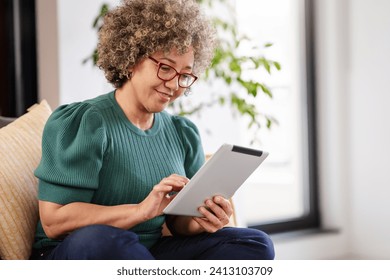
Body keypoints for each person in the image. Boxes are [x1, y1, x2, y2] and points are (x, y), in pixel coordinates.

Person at [30, 0, 275, 260]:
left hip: (147, 255)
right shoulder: (85, 122)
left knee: (255, 243)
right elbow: (55, 221)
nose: (174, 84)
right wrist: (141, 211)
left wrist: (202, 219)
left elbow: (178, 223)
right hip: (81, 251)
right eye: (165, 67)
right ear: (131, 60)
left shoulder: (183, 132)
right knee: (104, 241)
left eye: (184, 75)